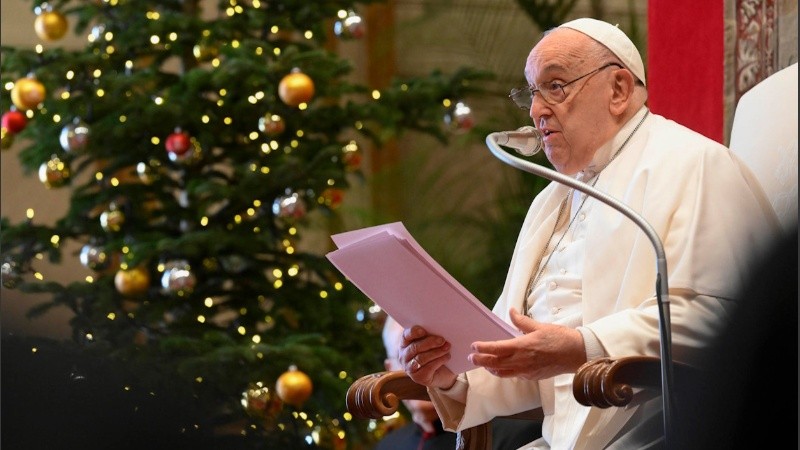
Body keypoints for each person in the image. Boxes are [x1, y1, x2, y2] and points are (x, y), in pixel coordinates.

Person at [396, 17, 780, 449]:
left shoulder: (697, 164)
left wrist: (584, 346)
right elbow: (519, 356)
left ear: (617, 90)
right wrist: (449, 377)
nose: (537, 110)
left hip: (668, 429)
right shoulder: (552, 200)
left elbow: (728, 319)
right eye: (531, 93)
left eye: (555, 87)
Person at [377, 315, 542, 450]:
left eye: (431, 352)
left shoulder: (515, 435)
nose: (422, 369)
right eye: (408, 356)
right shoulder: (388, 446)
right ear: (389, 368)